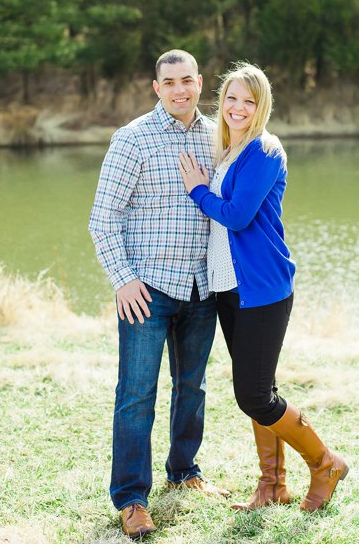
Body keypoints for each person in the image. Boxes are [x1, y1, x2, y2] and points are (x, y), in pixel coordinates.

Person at [177, 62, 348, 513]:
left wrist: (197, 190)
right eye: (231, 98)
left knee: (252, 394)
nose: (237, 107)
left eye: (248, 101)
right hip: (229, 287)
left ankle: (325, 462)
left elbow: (236, 215)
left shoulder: (265, 151)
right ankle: (272, 486)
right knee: (261, 386)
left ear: (261, 106)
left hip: (263, 288)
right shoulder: (229, 149)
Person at [89, 50, 229, 539]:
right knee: (135, 395)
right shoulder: (132, 140)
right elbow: (103, 218)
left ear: (199, 83)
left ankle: (185, 472)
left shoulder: (219, 137)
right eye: (169, 82)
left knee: (192, 389)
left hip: (203, 287)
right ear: (156, 87)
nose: (180, 90)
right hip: (146, 290)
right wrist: (123, 279)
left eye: (187, 80)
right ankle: (131, 498)